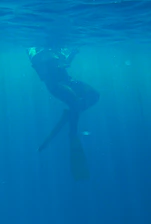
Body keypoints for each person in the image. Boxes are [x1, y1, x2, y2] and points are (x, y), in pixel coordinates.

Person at [28, 47, 99, 180]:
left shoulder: (49, 54)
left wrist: (73, 53)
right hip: (59, 86)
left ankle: (71, 114)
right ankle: (71, 121)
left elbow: (65, 62)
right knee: (74, 105)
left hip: (68, 83)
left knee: (91, 97)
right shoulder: (38, 56)